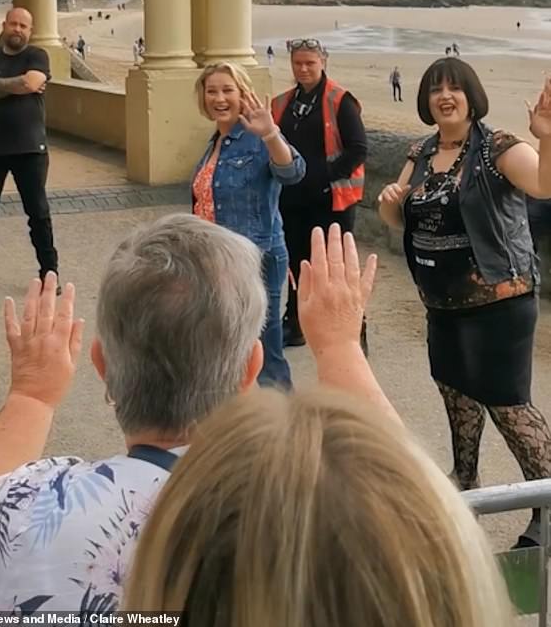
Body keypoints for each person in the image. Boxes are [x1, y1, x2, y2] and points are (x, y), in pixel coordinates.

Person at [126, 227, 512, 627]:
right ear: (250, 369)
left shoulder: (71, 496)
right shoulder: (434, 572)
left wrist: (49, 403)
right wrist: (339, 346)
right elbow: (426, 517)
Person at [0, 214, 268, 612]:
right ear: (250, 369)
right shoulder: (305, 507)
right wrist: (339, 349)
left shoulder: (32, 513)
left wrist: (31, 397)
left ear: (101, 365)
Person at [379, 56, 551, 547]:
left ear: (472, 96)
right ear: (426, 100)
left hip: (500, 301)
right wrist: (390, 203)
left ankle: (547, 504)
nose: (444, 96)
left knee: (507, 405)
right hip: (442, 302)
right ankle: (467, 489)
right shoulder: (420, 151)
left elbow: (544, 184)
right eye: (435, 89)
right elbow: (400, 221)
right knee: (456, 396)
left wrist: (546, 133)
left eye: (454, 87)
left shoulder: (497, 148)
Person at [193, 62, 305, 388]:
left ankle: (282, 425)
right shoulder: (216, 141)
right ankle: (238, 422)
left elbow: (293, 172)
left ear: (243, 94)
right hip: (216, 262)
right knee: (227, 348)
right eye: (211, 91)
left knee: (264, 349)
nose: (219, 98)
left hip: (254, 257)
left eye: (228, 90)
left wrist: (270, 134)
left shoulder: (256, 139)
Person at [272, 38, 367, 347]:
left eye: (310, 63)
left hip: (331, 200)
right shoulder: (283, 102)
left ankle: (351, 325)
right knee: (296, 262)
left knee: (334, 264)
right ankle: (296, 321)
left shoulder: (341, 101)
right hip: (291, 198)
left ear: (323, 62)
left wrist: (324, 178)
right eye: (298, 63)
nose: (303, 69)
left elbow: (358, 150)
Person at [0, 7, 59, 290]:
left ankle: (49, 272)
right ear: (4, 26)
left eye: (24, 26)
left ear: (29, 31)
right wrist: (20, 85)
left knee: (38, 213)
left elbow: (31, 81)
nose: (18, 29)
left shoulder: (37, 55)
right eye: (13, 24)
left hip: (30, 148)